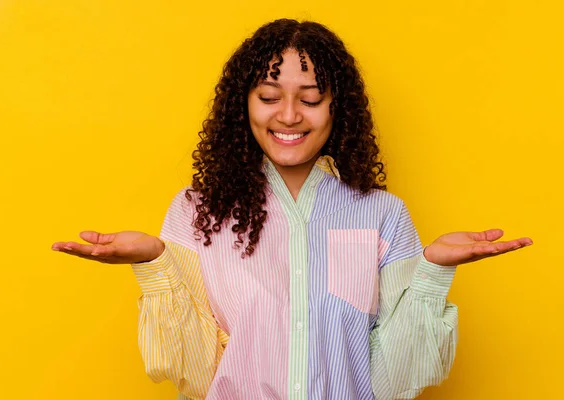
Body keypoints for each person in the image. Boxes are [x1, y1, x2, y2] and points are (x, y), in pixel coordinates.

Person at [52, 19, 532, 400]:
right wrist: (155, 262)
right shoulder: (196, 212)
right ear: (243, 105)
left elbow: (390, 382)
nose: (287, 116)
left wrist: (431, 271)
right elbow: (195, 374)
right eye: (268, 97)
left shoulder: (381, 215)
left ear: (336, 108)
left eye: (310, 99)